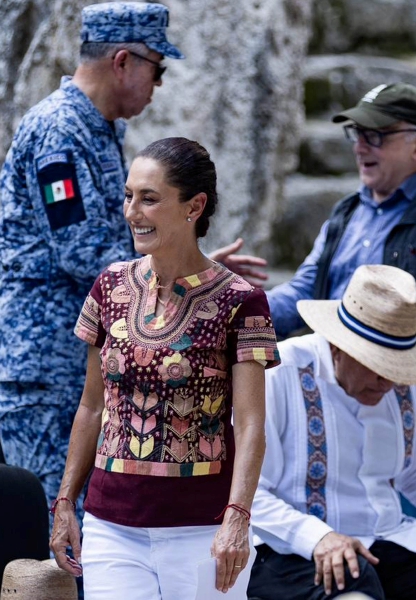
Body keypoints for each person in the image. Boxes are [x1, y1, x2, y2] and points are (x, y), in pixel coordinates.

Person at [0, 2, 266, 524]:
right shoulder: (60, 132)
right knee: (60, 537)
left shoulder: (98, 129)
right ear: (123, 61)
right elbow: (78, 250)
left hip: (86, 368)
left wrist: (192, 271)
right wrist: (184, 276)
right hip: (46, 373)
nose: (159, 84)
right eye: (157, 68)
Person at [49, 137, 280, 600]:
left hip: (203, 532)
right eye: (129, 196)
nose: (132, 211)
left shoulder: (241, 301)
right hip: (111, 525)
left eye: (149, 199)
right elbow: (92, 407)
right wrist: (64, 503)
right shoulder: (110, 286)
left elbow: (252, 423)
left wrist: (238, 516)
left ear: (194, 206)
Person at [248, 264, 416, 600]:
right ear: (339, 345)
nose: (389, 382)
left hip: (388, 540)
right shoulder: (278, 373)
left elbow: (411, 480)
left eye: (395, 369)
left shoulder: (401, 386)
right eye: (377, 365)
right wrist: (317, 537)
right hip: (289, 550)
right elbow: (245, 491)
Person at [267, 83, 416, 338]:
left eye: (376, 135)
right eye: (357, 134)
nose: (359, 148)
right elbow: (305, 292)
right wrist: (234, 306)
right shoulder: (347, 212)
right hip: (330, 365)